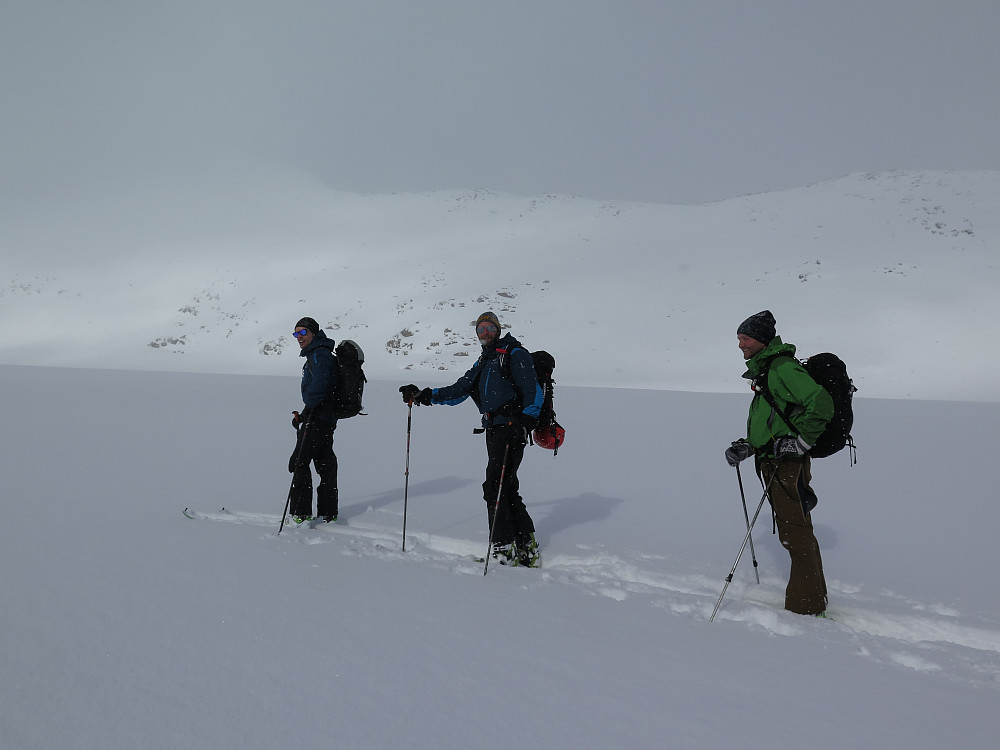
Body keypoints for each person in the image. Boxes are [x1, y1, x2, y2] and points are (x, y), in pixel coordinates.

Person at [399, 312, 544, 567]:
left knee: (494, 488)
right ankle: (525, 548)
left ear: (498, 329)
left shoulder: (514, 354)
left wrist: (524, 424)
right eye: (480, 329)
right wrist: (425, 395)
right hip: (494, 429)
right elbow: (459, 390)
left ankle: (503, 550)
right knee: (505, 487)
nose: (485, 332)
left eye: (489, 327)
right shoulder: (484, 361)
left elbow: (534, 393)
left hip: (510, 429)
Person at [724, 310, 833, 616]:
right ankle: (813, 598)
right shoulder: (767, 370)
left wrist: (801, 442)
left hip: (786, 464)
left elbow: (820, 403)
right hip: (773, 461)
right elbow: (775, 421)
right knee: (795, 531)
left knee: (794, 533)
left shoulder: (781, 367)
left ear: (759, 339)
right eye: (739, 339)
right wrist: (749, 447)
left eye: (744, 338)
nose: (740, 345)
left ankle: (806, 607)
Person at [288, 316, 339, 523]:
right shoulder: (320, 354)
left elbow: (318, 387)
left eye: (303, 333)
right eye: (296, 333)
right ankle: (328, 513)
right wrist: (304, 413)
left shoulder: (319, 355)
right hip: (324, 417)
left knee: (299, 461)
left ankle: (300, 514)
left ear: (314, 333)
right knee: (325, 463)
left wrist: (310, 406)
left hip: (318, 417)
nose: (299, 337)